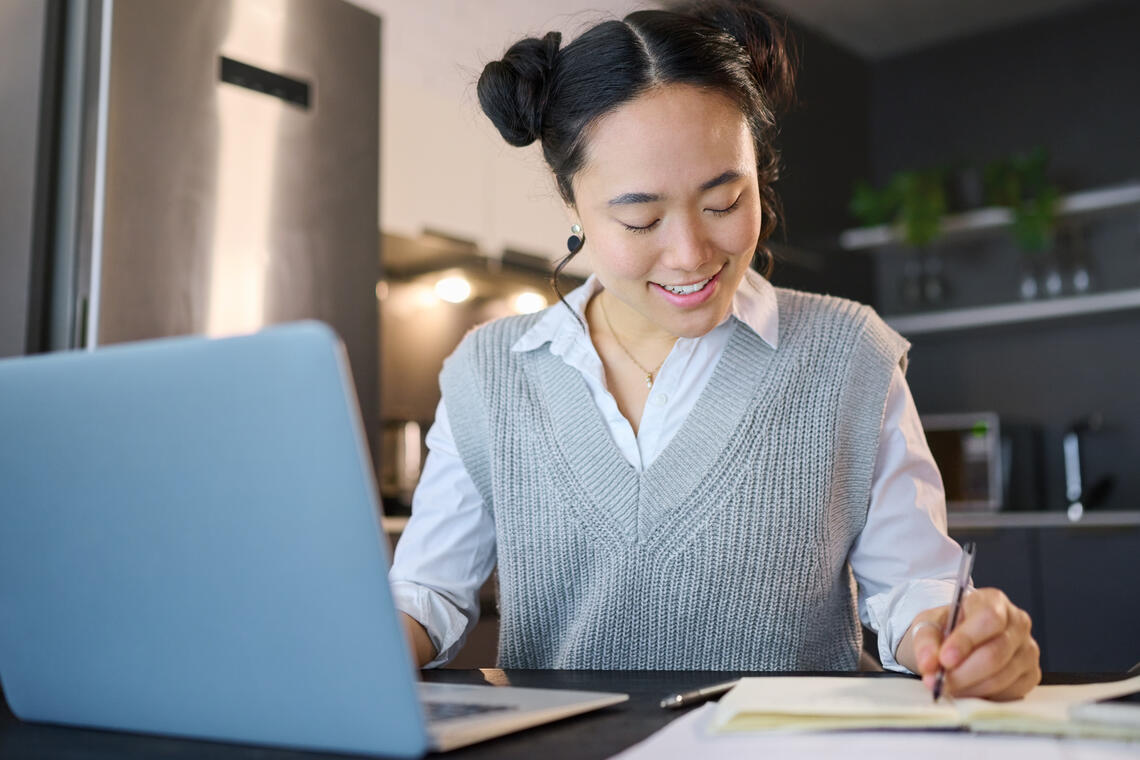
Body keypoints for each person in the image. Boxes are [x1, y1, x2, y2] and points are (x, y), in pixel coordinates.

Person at [389, 0, 1041, 700]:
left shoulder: (848, 354)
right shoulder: (490, 374)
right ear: (572, 205)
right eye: (641, 217)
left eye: (725, 203)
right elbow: (427, 591)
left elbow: (916, 590)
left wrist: (963, 639)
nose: (692, 254)